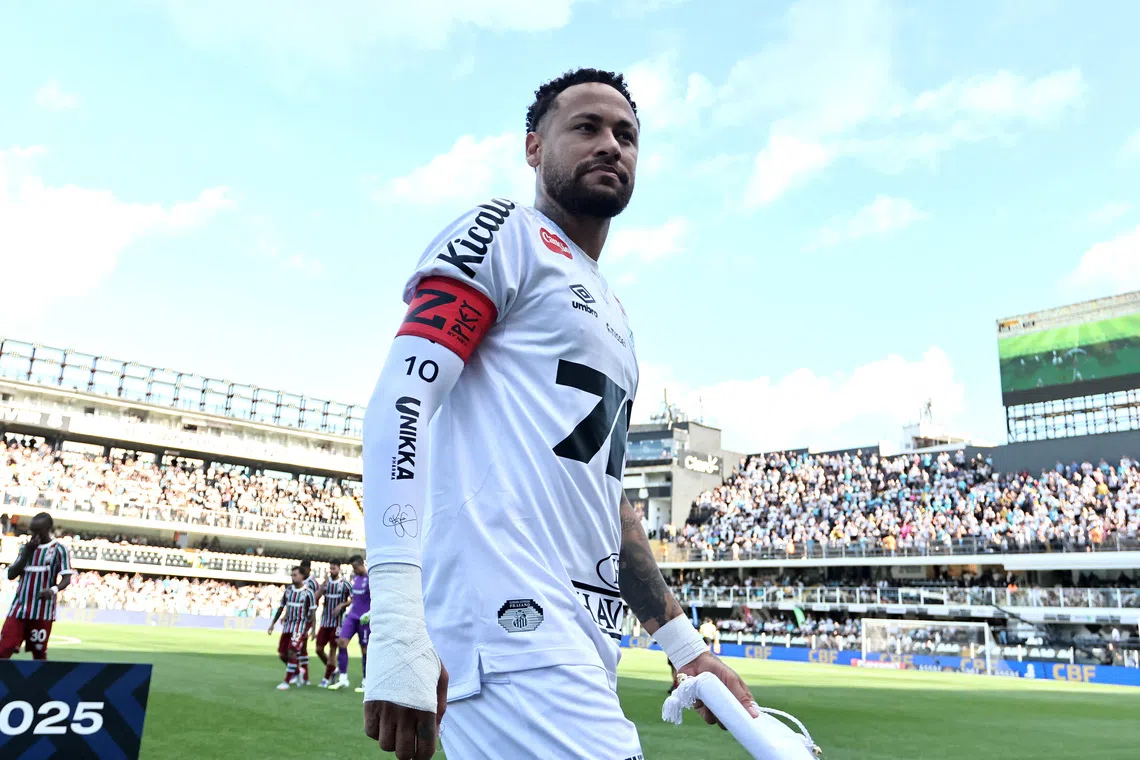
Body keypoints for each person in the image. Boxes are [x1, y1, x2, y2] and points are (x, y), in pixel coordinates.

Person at [361, 67, 757, 760]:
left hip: (582, 642)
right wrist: (396, 612)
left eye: (627, 135)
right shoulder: (507, 232)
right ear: (534, 149)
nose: (612, 145)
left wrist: (684, 645)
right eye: (587, 128)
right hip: (509, 629)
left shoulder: (614, 313)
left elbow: (607, 504)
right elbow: (404, 396)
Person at [0, 512, 74, 660]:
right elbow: (11, 575)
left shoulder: (59, 550)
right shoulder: (26, 548)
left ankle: (39, 683)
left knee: (39, 654)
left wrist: (53, 590)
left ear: (47, 529)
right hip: (19, 609)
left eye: (36, 530)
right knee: (3, 649)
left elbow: (67, 578)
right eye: (31, 530)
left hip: (42, 611)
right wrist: (27, 552)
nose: (32, 534)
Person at [267, 566, 317, 690]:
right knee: (282, 654)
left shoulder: (308, 592)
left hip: (299, 627)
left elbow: (312, 613)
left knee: (292, 651)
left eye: (295, 575)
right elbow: (281, 607)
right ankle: (298, 671)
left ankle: (286, 681)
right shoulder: (288, 590)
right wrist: (273, 623)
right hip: (288, 626)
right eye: (292, 575)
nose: (293, 577)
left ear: (301, 576)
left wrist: (313, 630)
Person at [328, 555, 369, 693]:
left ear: (361, 565)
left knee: (365, 650)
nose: (354, 570)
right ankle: (343, 679)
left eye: (355, 567)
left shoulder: (371, 580)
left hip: (364, 619)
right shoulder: (355, 579)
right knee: (341, 643)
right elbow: (353, 598)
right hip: (352, 616)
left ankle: (366, 681)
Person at [317, 562, 352, 687]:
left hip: (337, 622)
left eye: (333, 568)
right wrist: (322, 586)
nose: (331, 570)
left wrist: (342, 605)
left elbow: (353, 598)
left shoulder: (345, 584)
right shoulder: (326, 584)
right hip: (325, 621)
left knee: (332, 650)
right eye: (330, 568)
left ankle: (325, 679)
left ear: (339, 569)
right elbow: (316, 597)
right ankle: (333, 669)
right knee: (319, 649)